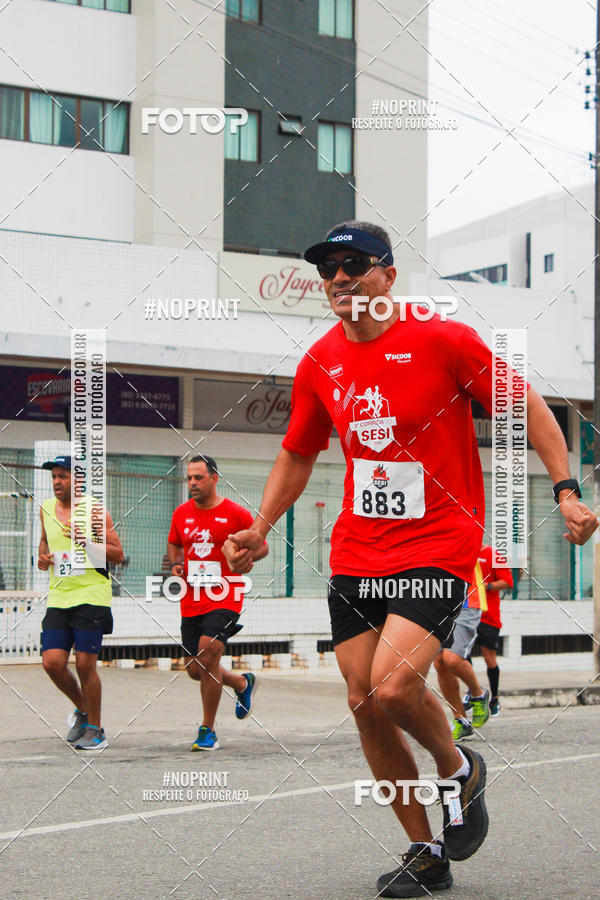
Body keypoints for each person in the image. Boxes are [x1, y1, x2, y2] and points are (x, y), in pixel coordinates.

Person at [223, 220, 598, 897]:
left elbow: (528, 406)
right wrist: (262, 522)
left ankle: (459, 771)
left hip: (436, 545)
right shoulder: (319, 363)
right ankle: (425, 850)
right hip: (357, 551)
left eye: (355, 264)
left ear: (389, 276)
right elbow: (299, 452)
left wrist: (567, 489)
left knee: (396, 686)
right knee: (366, 702)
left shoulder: (442, 340)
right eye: (328, 267)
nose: (339, 277)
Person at [167, 455, 267, 751]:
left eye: (198, 477)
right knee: (195, 669)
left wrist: (243, 560)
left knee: (208, 656)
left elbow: (262, 545)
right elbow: (174, 543)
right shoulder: (181, 514)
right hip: (191, 598)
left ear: (214, 479)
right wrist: (175, 564)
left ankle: (207, 729)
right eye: (189, 478)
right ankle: (241, 683)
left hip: (225, 594)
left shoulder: (235, 514)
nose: (192, 483)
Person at [37, 455, 124, 751]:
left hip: (92, 593)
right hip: (60, 595)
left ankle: (96, 730)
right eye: (55, 477)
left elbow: (116, 553)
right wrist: (42, 558)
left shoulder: (95, 511)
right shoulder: (46, 510)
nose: (58, 482)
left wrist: (85, 540)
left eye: (63, 476)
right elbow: (45, 544)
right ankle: (83, 708)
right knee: (52, 663)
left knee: (86, 664)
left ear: (79, 480)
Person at [434, 556, 495, 740]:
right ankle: (461, 720)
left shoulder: (463, 527)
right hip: (437, 601)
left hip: (467, 600)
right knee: (440, 663)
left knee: (452, 658)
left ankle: (478, 693)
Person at [466, 545, 513, 717]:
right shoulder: (465, 552)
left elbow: (508, 581)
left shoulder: (493, 554)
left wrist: (486, 586)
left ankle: (495, 698)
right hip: (468, 613)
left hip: (489, 616)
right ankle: (473, 692)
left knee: (489, 657)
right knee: (461, 655)